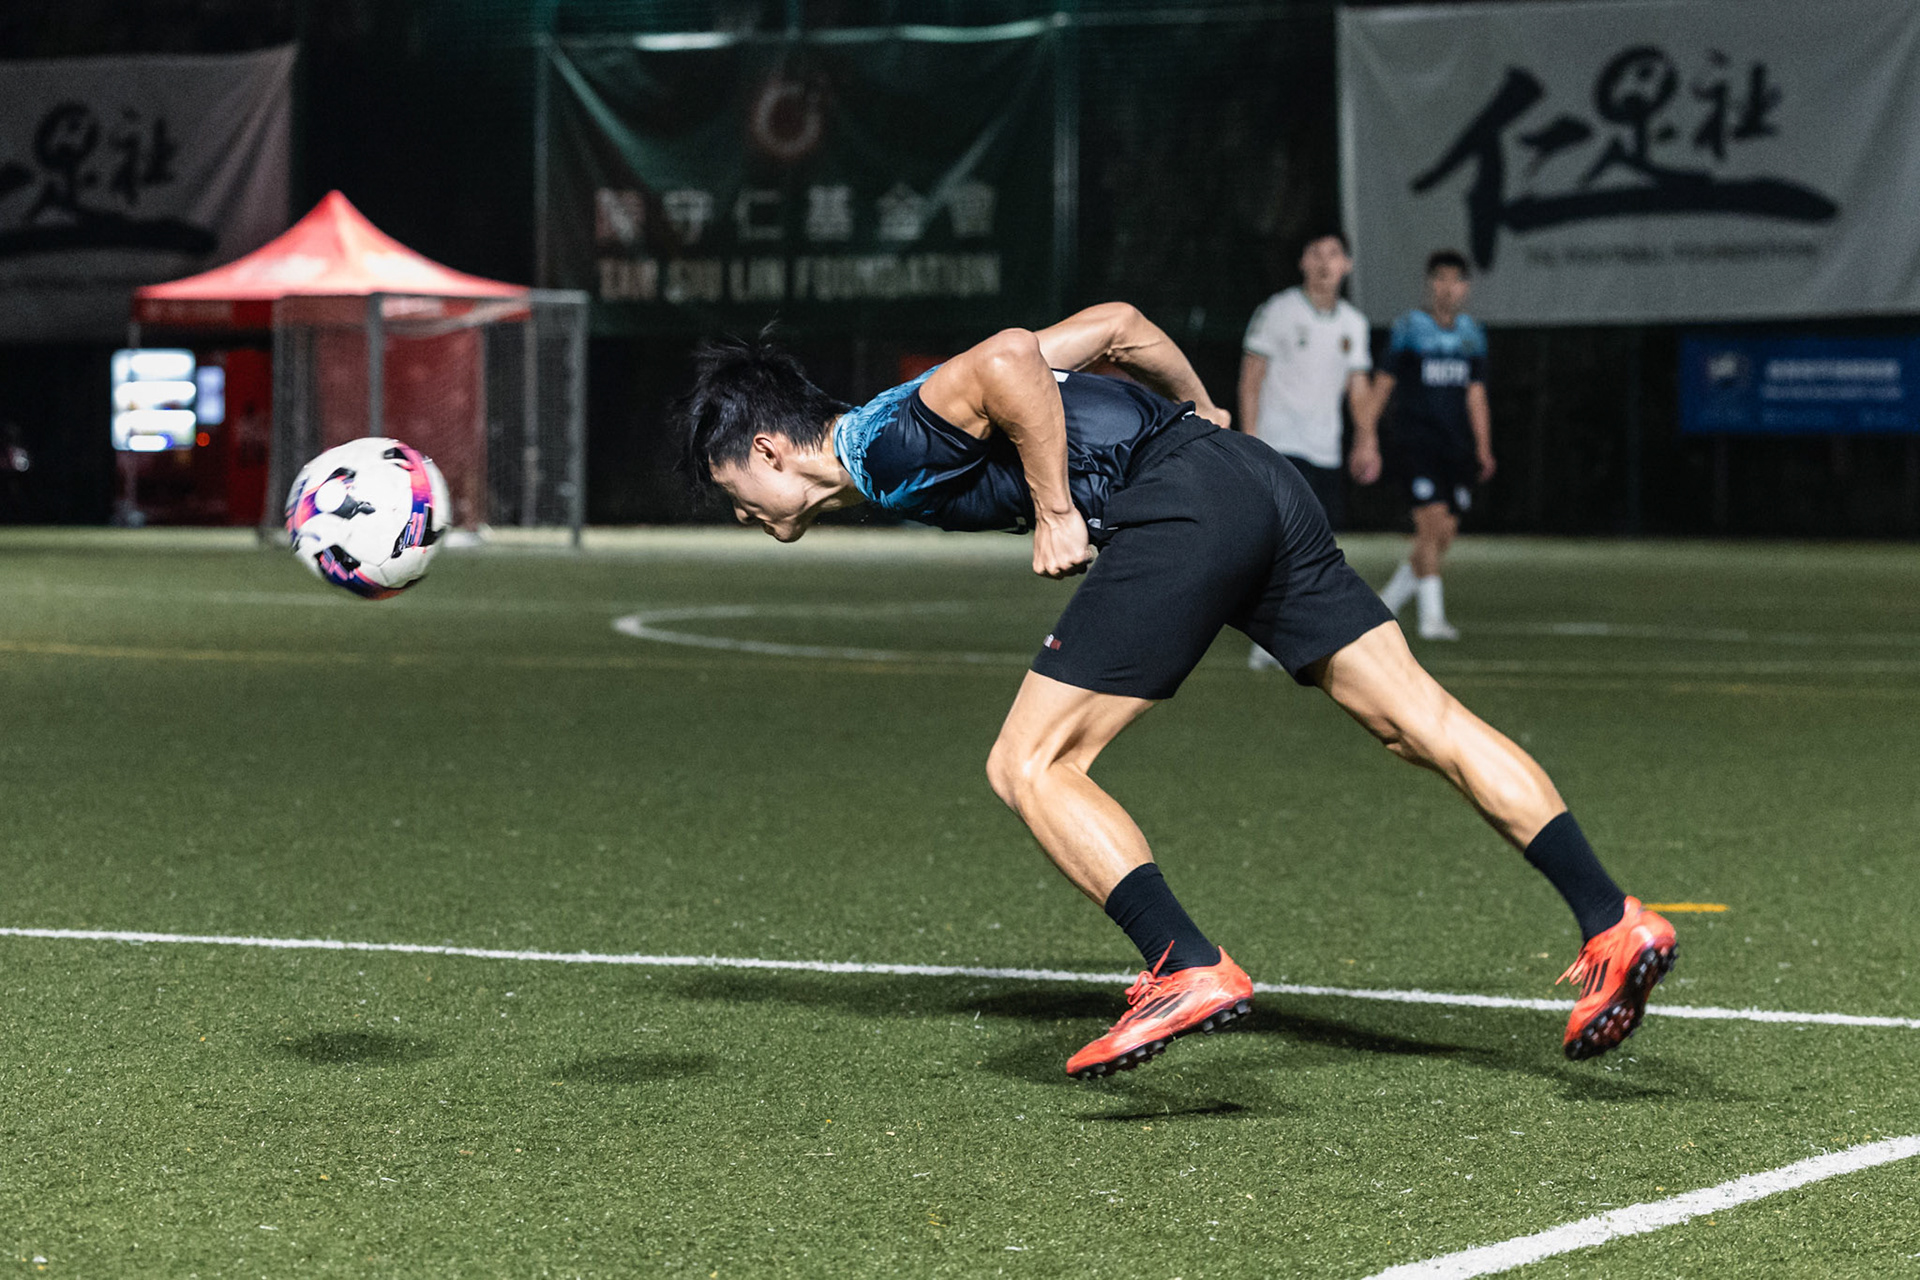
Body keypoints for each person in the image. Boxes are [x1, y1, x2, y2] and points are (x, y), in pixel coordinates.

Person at [681, 302, 1675, 1080]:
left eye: (734, 493)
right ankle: (1612, 915)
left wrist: (1058, 509)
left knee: (1027, 760)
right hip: (1252, 478)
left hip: (1179, 507)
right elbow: (1118, 324)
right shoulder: (891, 440)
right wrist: (1202, 407)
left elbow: (1010, 361)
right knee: (1424, 721)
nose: (741, 514)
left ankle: (1182, 962)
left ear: (769, 449)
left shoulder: (883, 442)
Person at [1238, 232, 1378, 671]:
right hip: (1280, 445)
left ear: (1347, 265)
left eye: (1333, 255)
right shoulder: (1279, 311)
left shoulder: (1353, 323)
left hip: (1325, 450)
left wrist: (1366, 437)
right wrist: (1251, 441)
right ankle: (1269, 637)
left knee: (1317, 545)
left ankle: (1295, 632)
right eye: (1316, 253)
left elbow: (1358, 389)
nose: (1324, 263)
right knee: (1280, 544)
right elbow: (1251, 378)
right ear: (1302, 261)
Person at [1350, 249, 1493, 642]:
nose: (1447, 289)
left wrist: (1483, 446)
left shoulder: (1471, 334)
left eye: (1455, 281)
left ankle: (1384, 605)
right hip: (1415, 443)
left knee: (1444, 534)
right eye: (1440, 279)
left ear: (1465, 288)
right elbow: (1381, 388)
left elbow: (1476, 395)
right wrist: (1367, 438)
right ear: (1430, 284)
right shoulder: (1409, 328)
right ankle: (1432, 620)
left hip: (1455, 447)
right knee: (1429, 528)